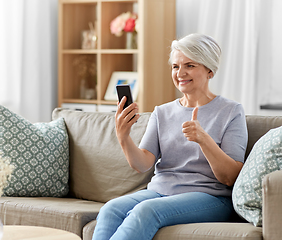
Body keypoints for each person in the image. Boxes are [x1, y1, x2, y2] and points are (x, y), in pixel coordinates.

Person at [92, 33, 248, 240]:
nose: (180, 73)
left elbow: (230, 177)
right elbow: (142, 164)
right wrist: (123, 136)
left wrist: (203, 139)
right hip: (161, 191)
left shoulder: (231, 111)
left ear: (209, 70)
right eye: (175, 66)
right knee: (110, 209)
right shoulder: (162, 112)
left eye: (190, 65)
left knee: (146, 211)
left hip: (210, 196)